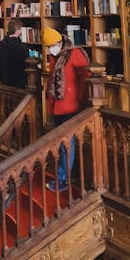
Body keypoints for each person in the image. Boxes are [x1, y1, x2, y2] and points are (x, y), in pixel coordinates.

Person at [42, 27, 90, 191]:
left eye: (53, 45)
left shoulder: (74, 54)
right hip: (58, 105)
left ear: (60, 42)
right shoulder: (55, 56)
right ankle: (71, 173)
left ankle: (63, 178)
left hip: (71, 106)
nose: (50, 49)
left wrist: (83, 102)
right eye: (48, 46)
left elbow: (85, 78)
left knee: (66, 143)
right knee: (64, 142)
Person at [0, 18, 29, 88]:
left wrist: (1, 78)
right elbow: (26, 67)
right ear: (17, 30)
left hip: (4, 82)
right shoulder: (23, 48)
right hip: (19, 84)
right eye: (21, 29)